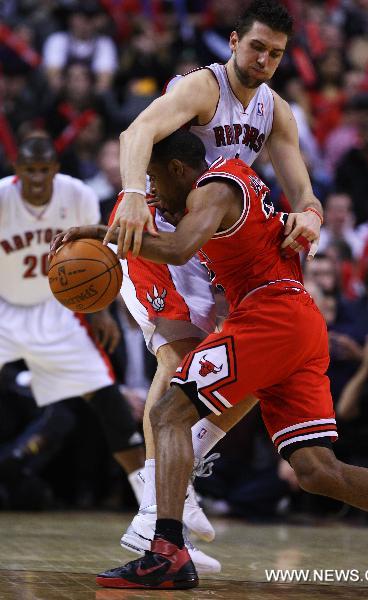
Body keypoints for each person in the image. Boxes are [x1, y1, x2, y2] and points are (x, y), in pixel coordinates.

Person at [52, 130, 368, 591]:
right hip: (296, 322)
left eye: (154, 180)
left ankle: (165, 548)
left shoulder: (216, 188)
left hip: (271, 315)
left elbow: (176, 248)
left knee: (169, 413)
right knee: (318, 472)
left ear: (179, 170)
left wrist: (107, 237)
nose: (152, 195)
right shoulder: (224, 188)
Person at [102, 0, 325, 561]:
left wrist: (310, 217)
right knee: (179, 357)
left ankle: (183, 474)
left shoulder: (275, 111)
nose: (264, 60)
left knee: (252, 362)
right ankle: (155, 506)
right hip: (151, 228)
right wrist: (130, 194)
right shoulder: (204, 88)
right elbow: (138, 130)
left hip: (204, 245)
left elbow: (303, 190)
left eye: (275, 53)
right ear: (232, 40)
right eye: (256, 47)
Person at [0, 136, 146, 508]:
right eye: (28, 171)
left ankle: (153, 504)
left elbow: (90, 257)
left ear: (54, 170)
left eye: (43, 170)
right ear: (18, 171)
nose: (36, 178)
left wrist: (99, 311)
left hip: (57, 312)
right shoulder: (2, 197)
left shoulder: (77, 194)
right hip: (7, 309)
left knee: (107, 397)